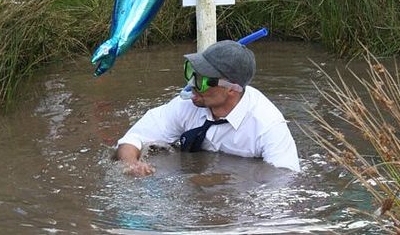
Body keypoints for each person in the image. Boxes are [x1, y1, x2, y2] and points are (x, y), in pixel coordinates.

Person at [115, 40, 300, 176]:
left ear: (231, 89)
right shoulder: (187, 105)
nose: (191, 84)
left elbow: (283, 181)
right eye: (191, 73)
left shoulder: (267, 125)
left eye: (202, 81)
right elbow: (133, 138)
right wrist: (132, 164)